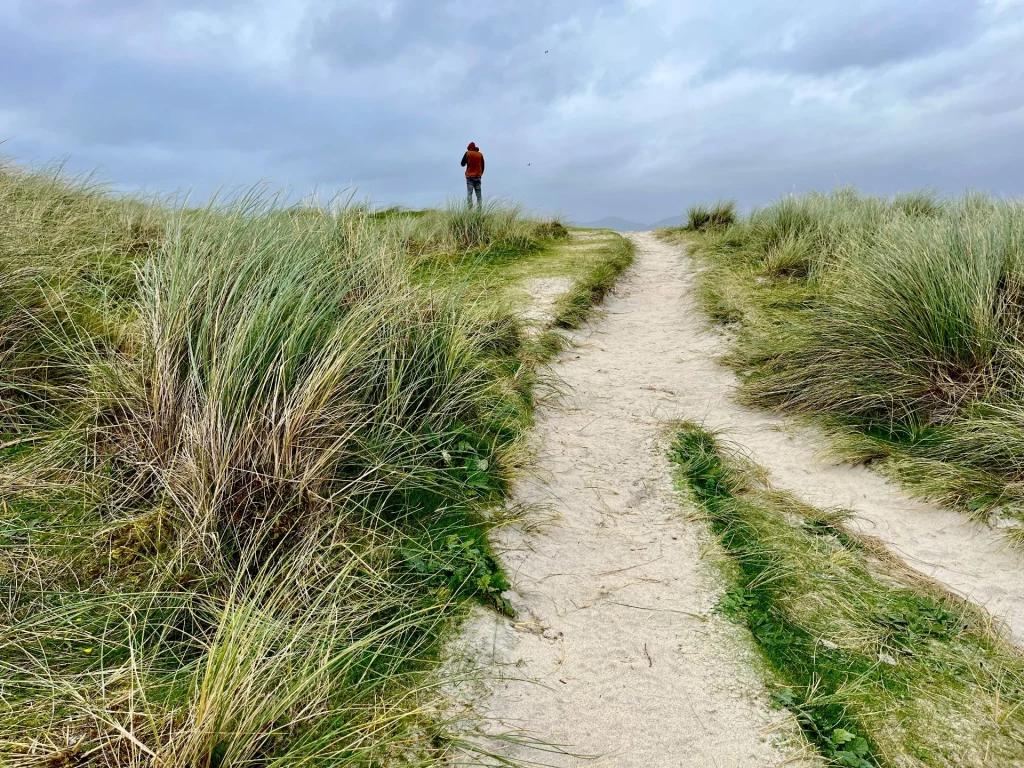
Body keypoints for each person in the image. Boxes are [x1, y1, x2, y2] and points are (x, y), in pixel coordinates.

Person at [461, 142, 484, 209]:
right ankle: (479, 211)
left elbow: (462, 164)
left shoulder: (467, 153)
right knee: (479, 195)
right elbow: (483, 166)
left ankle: (470, 210)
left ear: (469, 148)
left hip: (469, 177)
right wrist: (480, 174)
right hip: (478, 176)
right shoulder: (480, 155)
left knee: (469, 194)